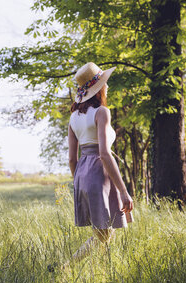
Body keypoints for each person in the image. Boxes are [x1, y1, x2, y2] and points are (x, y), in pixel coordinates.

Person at [59, 62, 134, 269]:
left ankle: (100, 269)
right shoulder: (102, 112)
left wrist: (78, 182)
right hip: (99, 173)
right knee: (104, 232)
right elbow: (104, 153)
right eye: (104, 83)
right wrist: (124, 191)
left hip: (82, 173)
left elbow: (72, 159)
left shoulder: (73, 118)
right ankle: (66, 267)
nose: (107, 86)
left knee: (105, 232)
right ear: (99, 87)